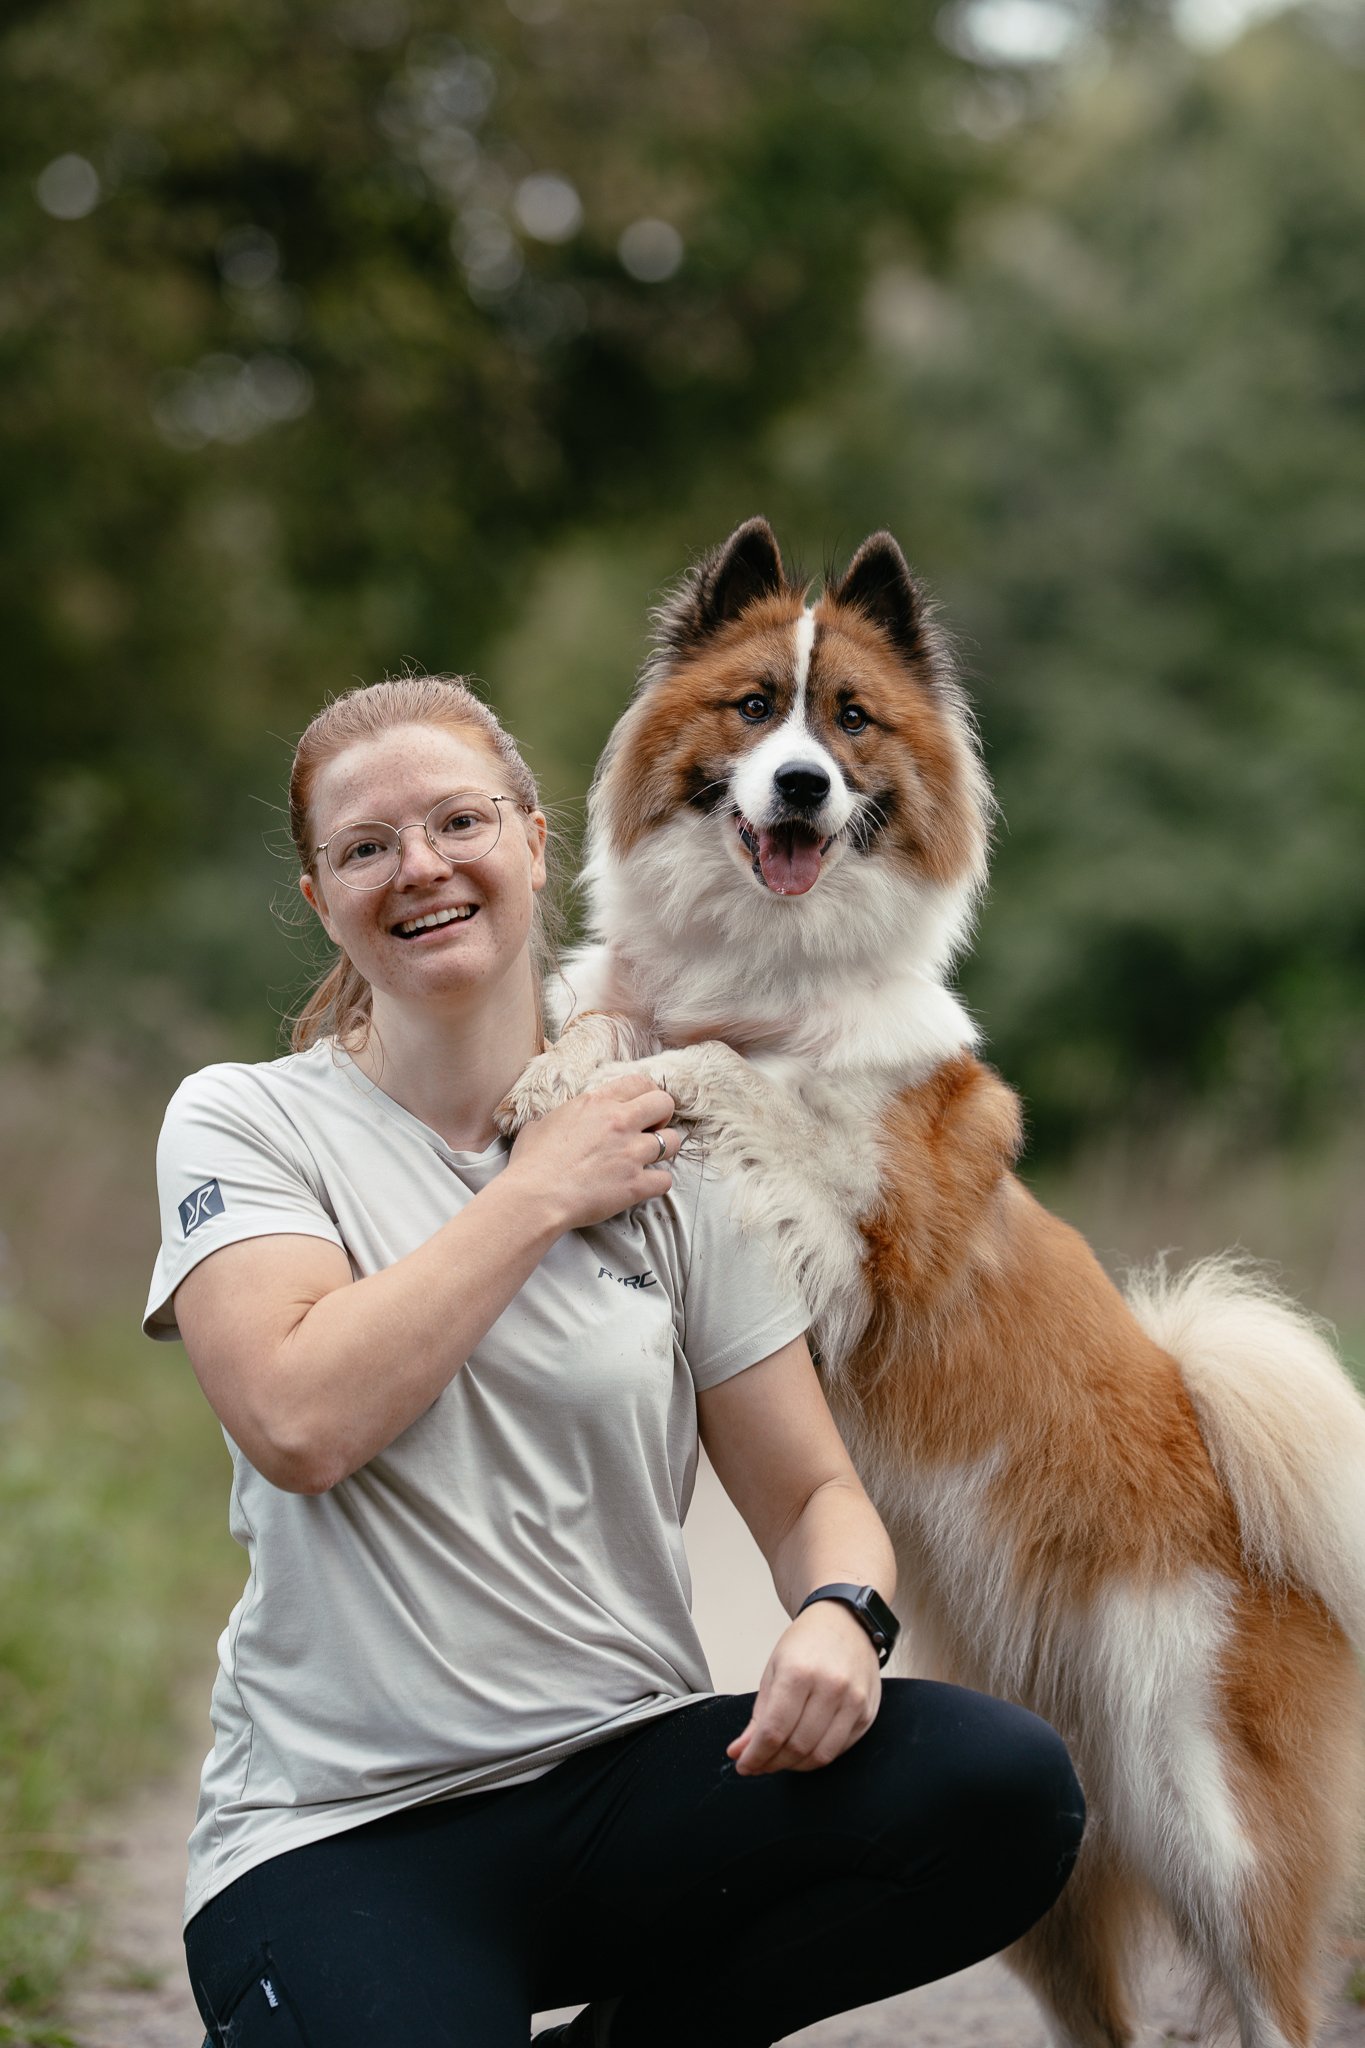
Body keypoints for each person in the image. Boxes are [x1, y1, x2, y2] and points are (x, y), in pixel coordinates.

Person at [145, 675, 1084, 2047]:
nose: (419, 868)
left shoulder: (676, 1144)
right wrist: (534, 1192)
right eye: (365, 847)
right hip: (337, 1835)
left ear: (532, 843)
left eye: (457, 821)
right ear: (321, 898)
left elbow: (814, 1497)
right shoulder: (246, 1123)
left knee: (1001, 1788)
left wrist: (839, 1615)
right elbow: (298, 1420)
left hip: (618, 1790)